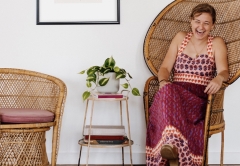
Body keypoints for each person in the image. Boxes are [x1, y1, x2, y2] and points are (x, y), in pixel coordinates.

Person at [146, 3, 229, 166]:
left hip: (198, 99)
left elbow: (224, 71)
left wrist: (219, 78)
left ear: (213, 25)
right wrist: (163, 82)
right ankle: (171, 145)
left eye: (206, 23)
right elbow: (164, 68)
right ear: (191, 21)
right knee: (168, 90)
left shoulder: (217, 42)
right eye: (197, 21)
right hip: (175, 95)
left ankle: (172, 148)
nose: (201, 26)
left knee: (168, 92)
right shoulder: (180, 38)